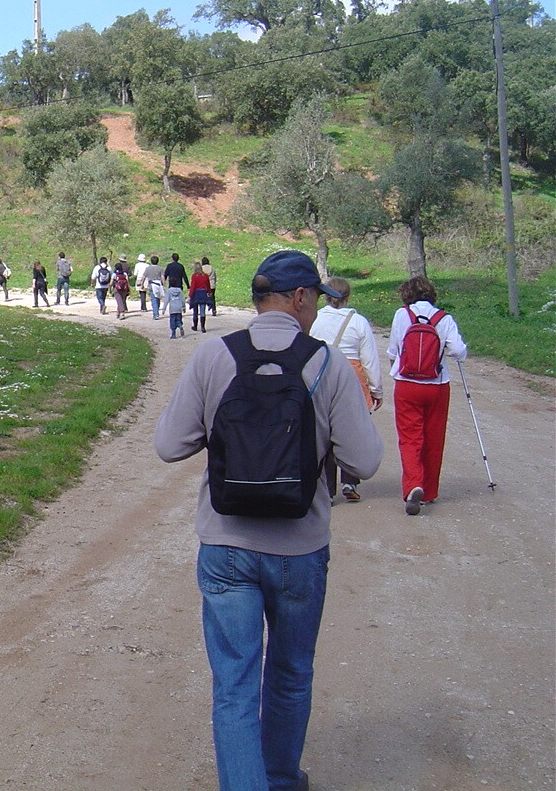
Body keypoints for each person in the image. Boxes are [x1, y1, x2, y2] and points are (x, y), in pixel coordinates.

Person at [154, 250, 383, 791]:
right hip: (300, 549)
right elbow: (366, 462)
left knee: (233, 685)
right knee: (290, 674)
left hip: (225, 546)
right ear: (300, 298)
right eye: (314, 301)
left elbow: (169, 445)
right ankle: (280, 778)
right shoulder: (324, 363)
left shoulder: (214, 356)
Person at [386, 275, 468, 516]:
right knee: (434, 437)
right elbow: (458, 351)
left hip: (406, 384)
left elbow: (393, 349)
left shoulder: (402, 315)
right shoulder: (444, 318)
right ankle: (430, 490)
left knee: (410, 438)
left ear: (406, 294)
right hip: (437, 384)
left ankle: (414, 484)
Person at [309, 277, 383, 501]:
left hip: (322, 371)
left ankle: (328, 489)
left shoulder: (316, 318)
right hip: (353, 374)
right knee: (352, 428)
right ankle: (350, 482)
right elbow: (369, 358)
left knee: (325, 430)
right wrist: (375, 389)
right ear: (347, 297)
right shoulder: (358, 321)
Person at [189, 261, 211, 333]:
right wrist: (209, 292)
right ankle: (203, 327)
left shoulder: (194, 276)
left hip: (196, 293)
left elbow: (193, 286)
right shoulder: (205, 276)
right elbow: (208, 285)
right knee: (202, 311)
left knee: (195, 311)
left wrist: (190, 295)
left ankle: (195, 326)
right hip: (203, 293)